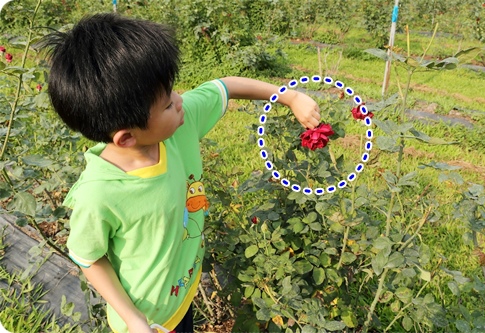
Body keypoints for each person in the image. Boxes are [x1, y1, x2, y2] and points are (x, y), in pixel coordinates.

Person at [41, 13, 320, 333]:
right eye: (166, 104)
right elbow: (88, 257)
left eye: (172, 91)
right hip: (148, 321)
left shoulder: (175, 128)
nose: (179, 100)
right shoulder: (99, 194)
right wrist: (134, 321)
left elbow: (226, 87)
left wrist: (290, 96)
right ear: (127, 137)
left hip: (181, 296)